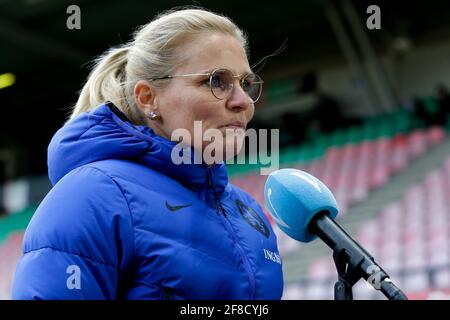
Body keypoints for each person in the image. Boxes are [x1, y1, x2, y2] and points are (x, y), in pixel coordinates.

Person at [11, 8, 283, 299]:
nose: (243, 101)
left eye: (245, 83)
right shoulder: (92, 195)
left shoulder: (250, 212)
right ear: (148, 98)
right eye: (216, 81)